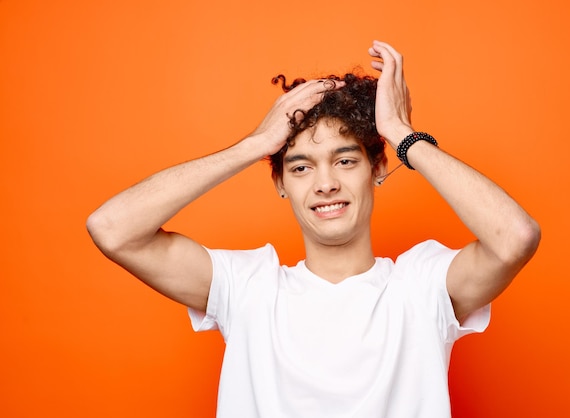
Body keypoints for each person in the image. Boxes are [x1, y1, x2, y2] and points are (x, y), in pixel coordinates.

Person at [87, 41, 540, 417]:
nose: (326, 184)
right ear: (281, 183)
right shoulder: (249, 288)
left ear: (377, 167)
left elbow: (514, 238)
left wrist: (402, 134)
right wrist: (255, 144)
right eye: (301, 167)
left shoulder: (420, 286)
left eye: (345, 161)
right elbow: (112, 228)